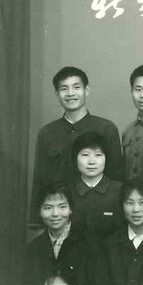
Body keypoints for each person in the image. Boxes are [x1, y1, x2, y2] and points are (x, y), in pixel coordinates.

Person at [30, 66, 124, 222]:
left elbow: (117, 177)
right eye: (64, 89)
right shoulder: (47, 133)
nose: (70, 93)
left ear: (86, 90)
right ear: (57, 94)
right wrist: (36, 223)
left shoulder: (106, 128)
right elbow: (39, 181)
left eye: (76, 87)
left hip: (99, 216)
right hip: (58, 217)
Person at [22, 183, 108, 285]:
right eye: (48, 208)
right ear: (39, 211)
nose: (55, 214)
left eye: (62, 207)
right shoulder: (34, 248)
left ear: (70, 209)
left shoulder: (89, 243)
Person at [68, 131, 124, 240]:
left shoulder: (120, 191)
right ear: (75, 158)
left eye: (98, 155)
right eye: (85, 155)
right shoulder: (66, 192)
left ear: (106, 158)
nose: (91, 162)